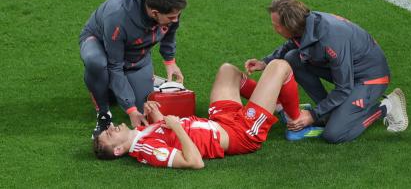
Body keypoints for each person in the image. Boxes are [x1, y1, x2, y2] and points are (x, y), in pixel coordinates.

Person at [244, 0, 409, 144]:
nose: (274, 29)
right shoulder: (304, 23)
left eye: (276, 25)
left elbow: (344, 88)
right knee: (293, 58)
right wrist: (265, 62)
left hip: (370, 77)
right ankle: (330, 113)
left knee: (334, 133)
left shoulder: (331, 41)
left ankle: (386, 106)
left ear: (290, 25)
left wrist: (313, 115)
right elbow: (293, 43)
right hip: (349, 69)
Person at [93, 59, 300, 169]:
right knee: (279, 66)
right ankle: (295, 119)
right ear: (119, 150)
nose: (111, 127)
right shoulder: (148, 151)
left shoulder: (140, 135)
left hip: (220, 120)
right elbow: (194, 162)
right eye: (110, 134)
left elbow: (165, 135)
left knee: (228, 71)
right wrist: (176, 126)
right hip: (241, 132)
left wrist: (157, 116)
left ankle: (275, 105)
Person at [79, 0, 187, 137]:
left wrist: (170, 61)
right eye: (171, 17)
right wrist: (131, 110)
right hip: (99, 43)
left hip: (135, 54)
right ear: (154, 13)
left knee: (146, 112)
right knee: (97, 63)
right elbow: (115, 65)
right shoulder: (118, 17)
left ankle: (119, 86)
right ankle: (103, 114)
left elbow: (169, 30)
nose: (176, 20)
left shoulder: (169, 7)